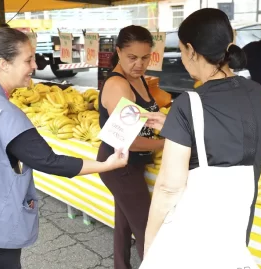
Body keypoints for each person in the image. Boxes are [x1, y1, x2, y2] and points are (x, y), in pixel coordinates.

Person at [0, 27, 128, 269]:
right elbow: (48, 161)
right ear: (3, 64)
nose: (35, 66)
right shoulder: (7, 115)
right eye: (28, 60)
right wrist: (106, 165)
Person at [141, 8, 261, 262]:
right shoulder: (256, 92)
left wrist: (149, 246)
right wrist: (175, 126)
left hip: (196, 236)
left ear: (190, 50)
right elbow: (231, 135)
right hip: (237, 224)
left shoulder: (188, 104)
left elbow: (168, 188)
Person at [96, 25, 164, 269]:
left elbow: (148, 113)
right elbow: (129, 141)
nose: (140, 64)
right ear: (118, 51)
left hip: (130, 165)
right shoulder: (118, 85)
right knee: (147, 231)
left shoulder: (137, 78)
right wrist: (165, 144)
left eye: (145, 57)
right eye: (132, 57)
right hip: (120, 167)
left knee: (125, 224)